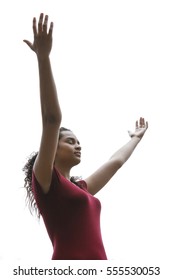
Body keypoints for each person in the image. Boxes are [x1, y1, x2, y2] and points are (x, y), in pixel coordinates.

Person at [23, 13, 148, 260]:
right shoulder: (46, 181)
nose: (78, 145)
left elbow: (116, 163)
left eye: (79, 142)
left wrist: (136, 138)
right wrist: (43, 58)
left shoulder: (81, 188)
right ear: (52, 149)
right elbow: (51, 120)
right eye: (70, 141)